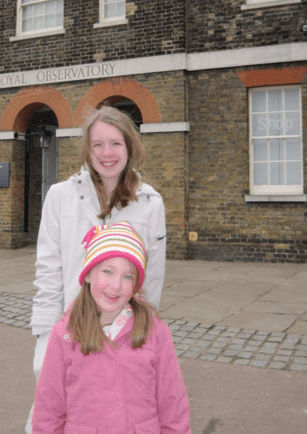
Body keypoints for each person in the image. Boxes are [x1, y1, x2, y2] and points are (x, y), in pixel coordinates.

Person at [26, 106, 166, 432]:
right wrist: (45, 341)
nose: (106, 153)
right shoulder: (60, 197)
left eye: (115, 143)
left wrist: (143, 337)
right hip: (71, 333)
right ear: (87, 149)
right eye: (97, 144)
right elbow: (48, 272)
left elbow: (153, 279)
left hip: (124, 335)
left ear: (130, 147)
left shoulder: (150, 204)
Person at [32, 221, 191, 433]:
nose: (116, 285)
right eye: (107, 271)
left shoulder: (155, 331)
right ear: (88, 274)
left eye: (128, 276)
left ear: (135, 285)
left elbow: (174, 405)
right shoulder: (64, 334)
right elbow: (48, 410)